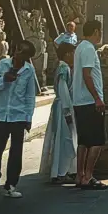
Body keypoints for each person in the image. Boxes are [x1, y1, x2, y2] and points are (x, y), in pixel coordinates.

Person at [0, 40, 38, 198]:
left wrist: (28, 117)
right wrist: (3, 80)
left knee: (16, 152)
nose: (18, 53)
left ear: (28, 56)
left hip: (18, 115)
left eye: (23, 52)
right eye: (18, 49)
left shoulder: (29, 71)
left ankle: (11, 185)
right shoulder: (2, 65)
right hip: (0, 114)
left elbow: (30, 96)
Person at [72, 20, 108, 190]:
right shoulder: (88, 48)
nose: (100, 35)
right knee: (96, 141)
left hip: (80, 100)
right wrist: (97, 98)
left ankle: (80, 175)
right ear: (95, 31)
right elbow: (87, 75)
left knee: (84, 141)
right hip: (88, 101)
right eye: (99, 31)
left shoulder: (80, 47)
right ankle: (88, 175)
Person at [39, 42, 78, 184]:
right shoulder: (64, 68)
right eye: (73, 54)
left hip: (62, 106)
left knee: (65, 138)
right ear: (68, 54)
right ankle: (62, 172)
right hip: (64, 107)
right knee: (65, 139)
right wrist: (67, 111)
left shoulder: (64, 67)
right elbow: (63, 91)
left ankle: (66, 170)